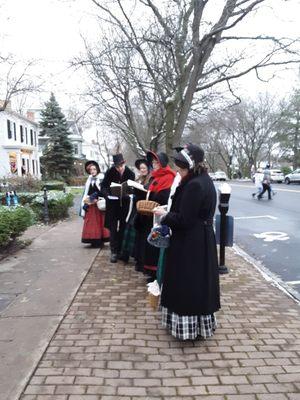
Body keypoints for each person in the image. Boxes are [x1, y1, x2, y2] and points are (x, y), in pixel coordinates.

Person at [154, 144, 220, 340]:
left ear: (190, 167)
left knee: (187, 283)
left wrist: (164, 216)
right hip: (201, 239)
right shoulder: (204, 180)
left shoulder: (194, 185)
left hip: (190, 242)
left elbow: (185, 220)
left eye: (181, 168)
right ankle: (200, 326)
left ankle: (188, 330)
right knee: (199, 283)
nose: (178, 172)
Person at [138, 151, 176, 281]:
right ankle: (149, 270)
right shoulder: (155, 176)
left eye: (156, 162)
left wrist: (153, 197)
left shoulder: (169, 177)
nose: (154, 165)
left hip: (160, 215)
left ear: (162, 163)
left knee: (156, 243)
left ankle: (155, 273)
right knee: (149, 243)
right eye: (153, 162)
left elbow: (165, 197)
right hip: (150, 214)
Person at [101, 153, 135, 263]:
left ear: (124, 163)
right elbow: (104, 186)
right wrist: (107, 195)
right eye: (117, 167)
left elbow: (132, 188)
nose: (119, 169)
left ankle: (121, 250)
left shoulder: (130, 173)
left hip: (124, 205)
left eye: (121, 166)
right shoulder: (110, 172)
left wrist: (128, 193)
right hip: (113, 204)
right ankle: (114, 251)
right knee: (113, 228)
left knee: (123, 227)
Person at [80, 161, 110, 247]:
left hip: (98, 204)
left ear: (97, 169)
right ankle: (93, 240)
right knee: (91, 223)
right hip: (90, 204)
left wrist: (96, 197)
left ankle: (100, 240)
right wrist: (87, 200)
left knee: (100, 222)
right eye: (90, 169)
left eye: (94, 169)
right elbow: (87, 192)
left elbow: (103, 191)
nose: (92, 171)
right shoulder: (89, 179)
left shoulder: (101, 178)